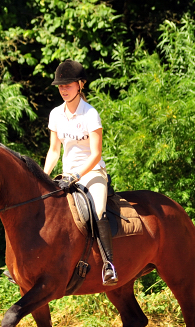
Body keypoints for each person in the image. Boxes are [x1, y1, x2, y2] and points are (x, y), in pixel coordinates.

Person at [44, 59, 118, 285]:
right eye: (60, 86)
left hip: (92, 172)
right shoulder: (56, 114)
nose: (63, 89)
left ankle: (109, 265)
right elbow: (54, 151)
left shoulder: (90, 114)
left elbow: (96, 153)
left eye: (68, 85)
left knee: (98, 211)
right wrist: (42, 177)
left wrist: (77, 175)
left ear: (80, 85)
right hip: (66, 176)